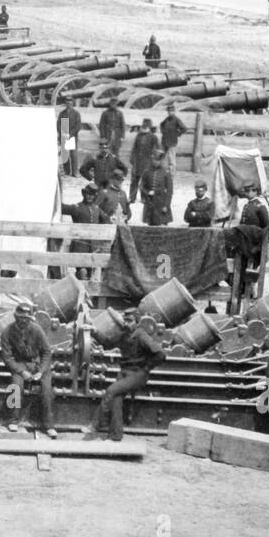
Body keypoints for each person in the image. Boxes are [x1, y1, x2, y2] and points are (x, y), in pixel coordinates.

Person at [86, 310, 165, 442]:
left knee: (111, 391)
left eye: (130, 321)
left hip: (137, 374)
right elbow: (108, 342)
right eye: (125, 320)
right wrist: (94, 330)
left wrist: (146, 368)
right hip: (124, 372)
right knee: (116, 399)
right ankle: (115, 436)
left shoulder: (141, 335)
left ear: (137, 322)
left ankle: (95, 425)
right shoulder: (123, 335)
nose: (127, 324)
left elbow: (161, 354)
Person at [0, 302, 58, 439]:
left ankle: (49, 426)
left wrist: (40, 371)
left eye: (26, 318)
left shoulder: (37, 330)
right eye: (21, 318)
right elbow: (7, 358)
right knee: (15, 386)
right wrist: (21, 371)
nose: (24, 321)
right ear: (15, 317)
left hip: (38, 365)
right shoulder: (7, 332)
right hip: (20, 365)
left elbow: (47, 352)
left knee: (47, 390)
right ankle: (12, 420)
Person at [61, 185, 102, 279]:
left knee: (91, 273)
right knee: (82, 272)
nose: (90, 197)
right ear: (84, 194)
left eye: (92, 195)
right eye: (88, 194)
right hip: (80, 246)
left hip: (93, 247)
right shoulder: (77, 207)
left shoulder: (97, 209)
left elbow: (107, 220)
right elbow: (61, 207)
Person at [128, 119, 159, 204]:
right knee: (134, 180)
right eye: (143, 126)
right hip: (137, 162)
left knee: (145, 181)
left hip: (147, 162)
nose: (144, 128)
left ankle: (144, 197)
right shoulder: (138, 136)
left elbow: (157, 149)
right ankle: (132, 197)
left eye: (146, 126)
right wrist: (132, 158)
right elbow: (134, 148)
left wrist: (154, 160)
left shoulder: (153, 137)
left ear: (149, 127)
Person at [141, 149, 173, 226]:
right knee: (151, 227)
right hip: (150, 204)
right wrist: (147, 192)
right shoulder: (147, 172)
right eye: (154, 160)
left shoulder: (166, 172)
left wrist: (166, 205)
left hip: (161, 204)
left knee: (162, 226)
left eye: (158, 160)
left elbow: (169, 191)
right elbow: (142, 186)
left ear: (161, 161)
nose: (156, 162)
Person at [57, 99, 83, 178]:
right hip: (64, 136)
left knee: (73, 155)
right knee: (65, 155)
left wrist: (70, 134)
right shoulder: (62, 113)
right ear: (65, 104)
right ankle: (66, 171)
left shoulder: (76, 114)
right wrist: (62, 133)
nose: (69, 105)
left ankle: (75, 172)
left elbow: (78, 126)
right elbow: (58, 124)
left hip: (72, 137)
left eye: (70, 104)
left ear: (72, 104)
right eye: (67, 103)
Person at [159, 104, 186, 174]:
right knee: (163, 157)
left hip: (172, 142)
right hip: (165, 141)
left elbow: (184, 128)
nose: (170, 112)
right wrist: (163, 132)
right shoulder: (167, 119)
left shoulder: (176, 120)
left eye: (171, 111)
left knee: (172, 159)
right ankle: (163, 172)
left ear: (174, 112)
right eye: (169, 111)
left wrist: (177, 134)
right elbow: (161, 125)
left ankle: (172, 174)